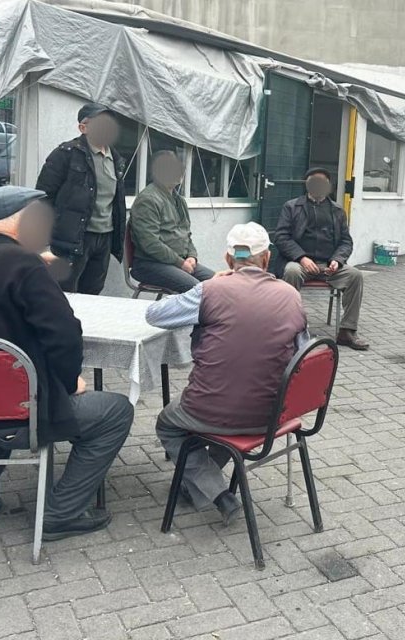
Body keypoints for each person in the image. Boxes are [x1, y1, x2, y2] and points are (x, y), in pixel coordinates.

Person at [0, 185, 132, 539]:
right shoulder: (23, 265)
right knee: (116, 411)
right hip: (16, 413)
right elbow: (64, 333)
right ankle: (61, 513)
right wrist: (70, 382)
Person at [147, 223, 307, 523]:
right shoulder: (291, 296)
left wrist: (206, 287)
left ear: (227, 260)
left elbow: (154, 314)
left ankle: (217, 492)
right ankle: (201, 486)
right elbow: (303, 356)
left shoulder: (210, 290)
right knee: (222, 430)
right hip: (272, 415)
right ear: (267, 259)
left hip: (209, 410)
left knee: (168, 424)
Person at [36, 103, 127, 294]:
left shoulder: (116, 159)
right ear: (83, 128)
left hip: (104, 237)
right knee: (65, 292)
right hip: (73, 237)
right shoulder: (66, 154)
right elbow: (44, 196)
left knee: (93, 292)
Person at [274, 168, 369, 351]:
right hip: (299, 263)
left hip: (329, 265)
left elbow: (345, 241)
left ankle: (347, 331)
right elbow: (281, 237)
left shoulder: (337, 210)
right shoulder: (292, 207)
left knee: (355, 275)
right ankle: (291, 330)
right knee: (291, 271)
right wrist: (301, 258)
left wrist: (337, 260)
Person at [129, 151, 214, 293]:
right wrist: (180, 263)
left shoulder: (179, 200)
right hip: (149, 264)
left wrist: (192, 256)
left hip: (180, 261)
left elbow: (187, 234)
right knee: (198, 290)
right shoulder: (148, 200)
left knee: (219, 282)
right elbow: (150, 243)